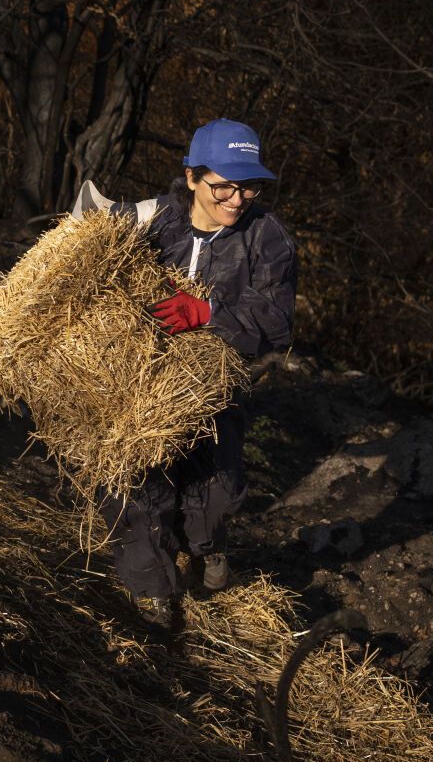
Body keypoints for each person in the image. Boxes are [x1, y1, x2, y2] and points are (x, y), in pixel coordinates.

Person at [104, 117, 297, 622]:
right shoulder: (153, 221)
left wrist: (208, 314)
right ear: (192, 177)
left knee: (211, 496)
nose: (237, 200)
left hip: (217, 391)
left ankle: (207, 544)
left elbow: (278, 323)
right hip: (138, 388)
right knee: (136, 488)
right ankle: (152, 592)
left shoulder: (265, 237)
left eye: (249, 187)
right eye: (223, 186)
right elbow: (84, 237)